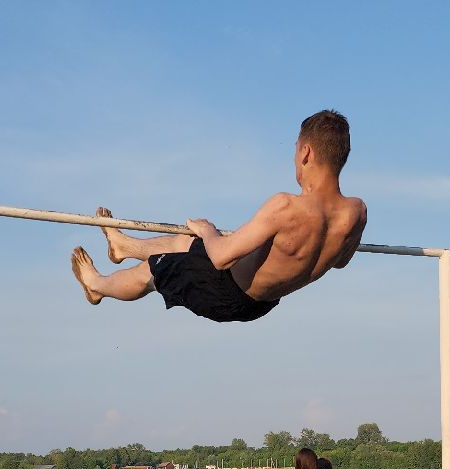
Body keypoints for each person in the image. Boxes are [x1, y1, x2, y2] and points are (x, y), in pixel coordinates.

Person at [69, 111, 367, 323]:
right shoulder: (355, 213)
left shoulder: (286, 207)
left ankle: (96, 286)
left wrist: (209, 230)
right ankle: (123, 247)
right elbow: (338, 261)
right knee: (185, 243)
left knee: (152, 270)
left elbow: (221, 258)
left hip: (224, 292)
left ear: (305, 153)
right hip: (259, 300)